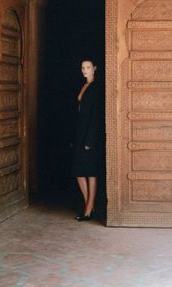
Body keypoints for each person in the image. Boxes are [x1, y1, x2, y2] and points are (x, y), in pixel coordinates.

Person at [73, 58, 100, 221]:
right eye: (83, 67)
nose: (85, 70)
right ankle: (89, 204)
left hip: (90, 136)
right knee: (78, 171)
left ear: (94, 69)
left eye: (88, 67)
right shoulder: (83, 86)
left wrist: (90, 140)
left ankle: (89, 208)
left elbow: (95, 116)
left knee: (90, 172)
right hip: (79, 134)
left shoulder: (96, 88)